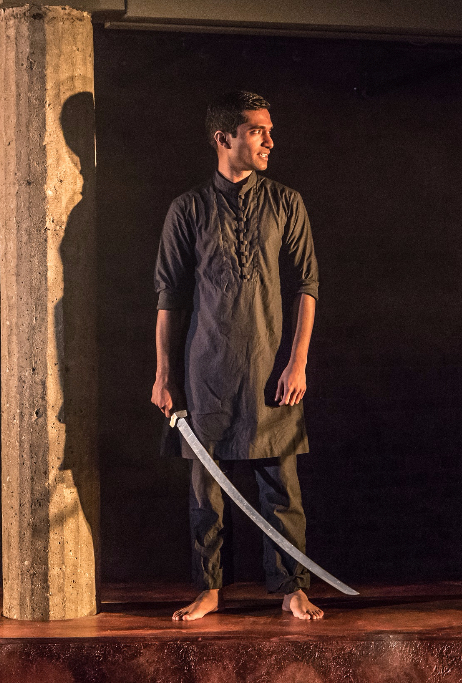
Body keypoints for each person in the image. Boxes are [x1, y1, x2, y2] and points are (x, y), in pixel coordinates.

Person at [152, 90, 323, 621]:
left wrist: (297, 362)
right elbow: (169, 296)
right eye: (257, 131)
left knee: (282, 488)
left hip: (271, 367)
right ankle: (209, 588)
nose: (270, 140)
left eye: (269, 130)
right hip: (206, 369)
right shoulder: (188, 209)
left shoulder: (286, 202)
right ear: (224, 138)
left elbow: (307, 284)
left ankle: (292, 587)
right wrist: (163, 374)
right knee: (206, 492)